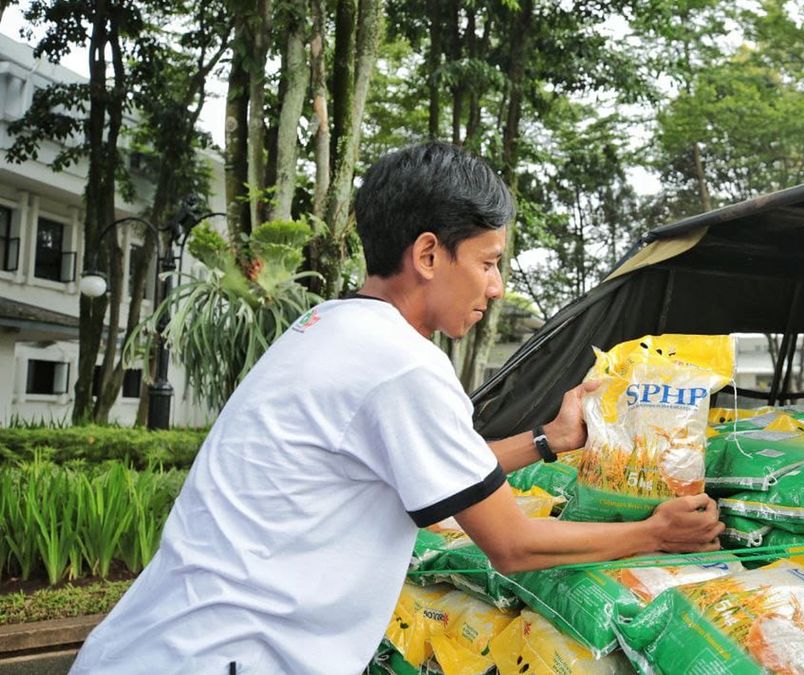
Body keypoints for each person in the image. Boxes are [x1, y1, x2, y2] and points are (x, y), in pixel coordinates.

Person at [70, 141, 723, 674]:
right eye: (490, 262)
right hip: (218, 659)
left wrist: (548, 437)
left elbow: (424, 469)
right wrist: (658, 533)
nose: (496, 287)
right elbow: (513, 545)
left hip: (158, 645)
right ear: (429, 254)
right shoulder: (402, 364)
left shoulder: (331, 327)